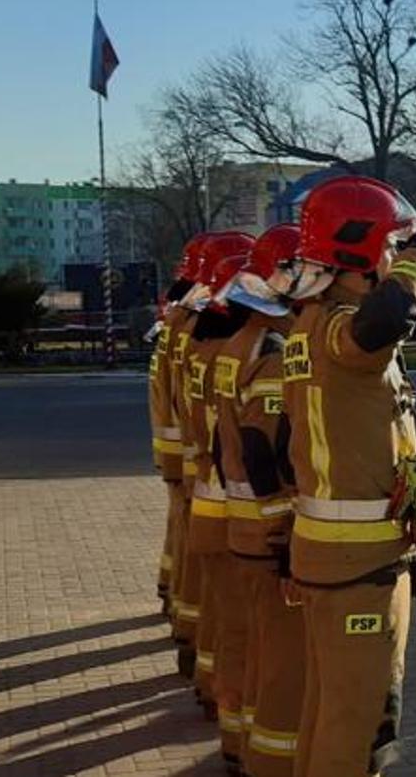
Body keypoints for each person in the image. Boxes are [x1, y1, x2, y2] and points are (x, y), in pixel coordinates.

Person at [274, 176, 416, 776]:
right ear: (362, 250)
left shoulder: (311, 328)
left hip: (354, 557)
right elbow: (392, 315)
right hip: (359, 564)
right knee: (360, 729)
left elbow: (390, 436)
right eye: (389, 247)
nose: (392, 258)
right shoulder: (342, 330)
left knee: (330, 714)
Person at [205, 224, 302, 770]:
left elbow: (227, 448)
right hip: (267, 532)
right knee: (281, 659)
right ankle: (270, 759)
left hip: (240, 522)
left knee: (246, 641)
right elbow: (263, 452)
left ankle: (237, 741)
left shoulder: (236, 344)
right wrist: (284, 532)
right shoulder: (271, 348)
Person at [174, 231, 256, 713]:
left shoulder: (200, 341)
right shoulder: (249, 353)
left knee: (225, 619)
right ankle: (237, 732)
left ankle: (213, 690)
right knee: (246, 630)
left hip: (208, 491)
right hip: (239, 511)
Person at [151, 234, 212, 641]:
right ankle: (189, 626)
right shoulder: (203, 333)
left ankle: (175, 601)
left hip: (183, 453)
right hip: (204, 464)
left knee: (184, 538)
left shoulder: (178, 324)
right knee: (206, 566)